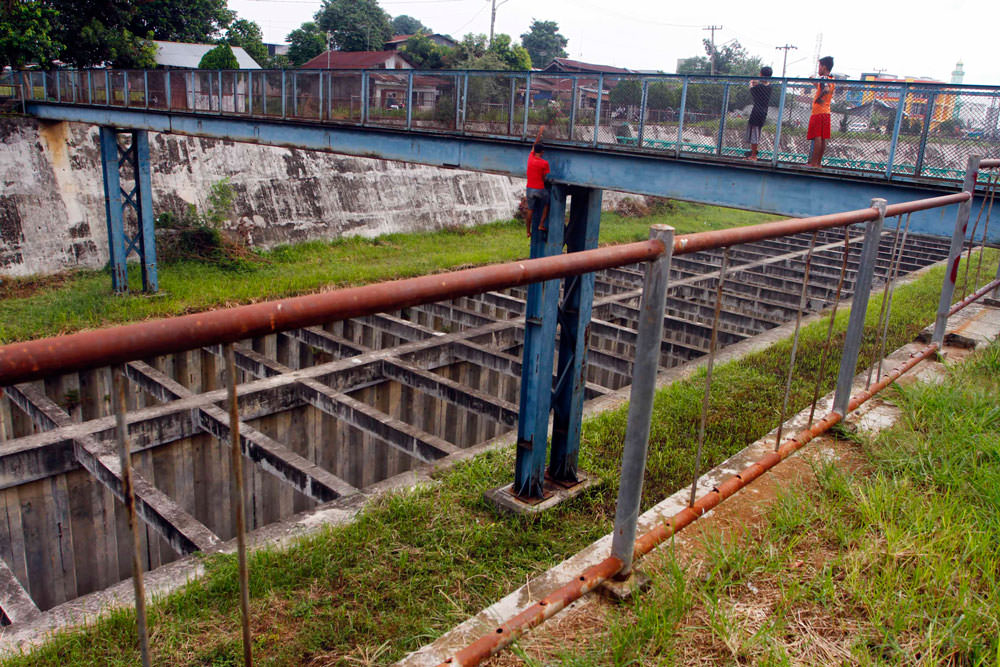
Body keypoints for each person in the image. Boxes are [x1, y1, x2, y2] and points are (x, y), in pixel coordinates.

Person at [807, 56, 835, 168]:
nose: (818, 68)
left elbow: (825, 89)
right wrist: (813, 79)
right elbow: (823, 86)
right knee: (823, 137)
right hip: (826, 111)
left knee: (817, 136)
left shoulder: (824, 78)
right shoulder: (832, 79)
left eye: (819, 66)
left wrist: (819, 98)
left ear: (824, 67)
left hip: (819, 111)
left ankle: (813, 163)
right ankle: (818, 163)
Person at [747, 66, 773, 160]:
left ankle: (754, 155)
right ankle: (753, 153)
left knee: (754, 132)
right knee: (757, 132)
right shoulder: (769, 87)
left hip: (756, 111)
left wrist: (751, 82)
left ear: (761, 74)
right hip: (763, 111)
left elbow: (751, 89)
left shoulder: (759, 87)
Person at [525, 141, 550, 237]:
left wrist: (539, 134)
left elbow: (533, 147)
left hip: (529, 189)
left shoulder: (530, 158)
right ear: (542, 152)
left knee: (530, 209)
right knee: (547, 204)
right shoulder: (544, 163)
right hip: (540, 189)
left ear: (535, 151)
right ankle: (541, 225)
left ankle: (528, 231)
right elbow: (544, 178)